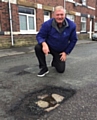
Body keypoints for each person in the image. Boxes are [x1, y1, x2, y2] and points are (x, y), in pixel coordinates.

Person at [34, 6, 78, 77]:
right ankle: (44, 68)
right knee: (38, 47)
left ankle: (55, 61)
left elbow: (73, 40)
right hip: (49, 47)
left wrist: (66, 52)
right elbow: (40, 36)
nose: (60, 17)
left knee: (60, 70)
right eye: (57, 15)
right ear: (54, 15)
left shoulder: (72, 25)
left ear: (65, 15)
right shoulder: (47, 24)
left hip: (60, 50)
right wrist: (43, 43)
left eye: (62, 14)